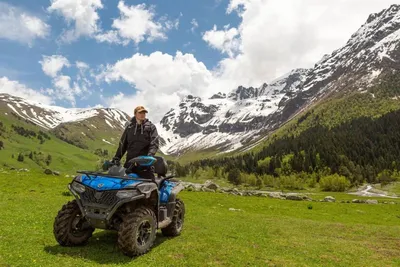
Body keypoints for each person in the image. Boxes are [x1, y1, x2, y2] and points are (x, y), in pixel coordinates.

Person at [112, 105, 159, 179]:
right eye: (140, 113)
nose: (142, 114)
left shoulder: (151, 127)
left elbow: (154, 143)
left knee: (150, 185)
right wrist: (116, 158)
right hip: (129, 163)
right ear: (135, 114)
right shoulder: (129, 128)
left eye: (144, 113)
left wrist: (149, 157)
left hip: (144, 164)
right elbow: (122, 145)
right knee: (124, 185)